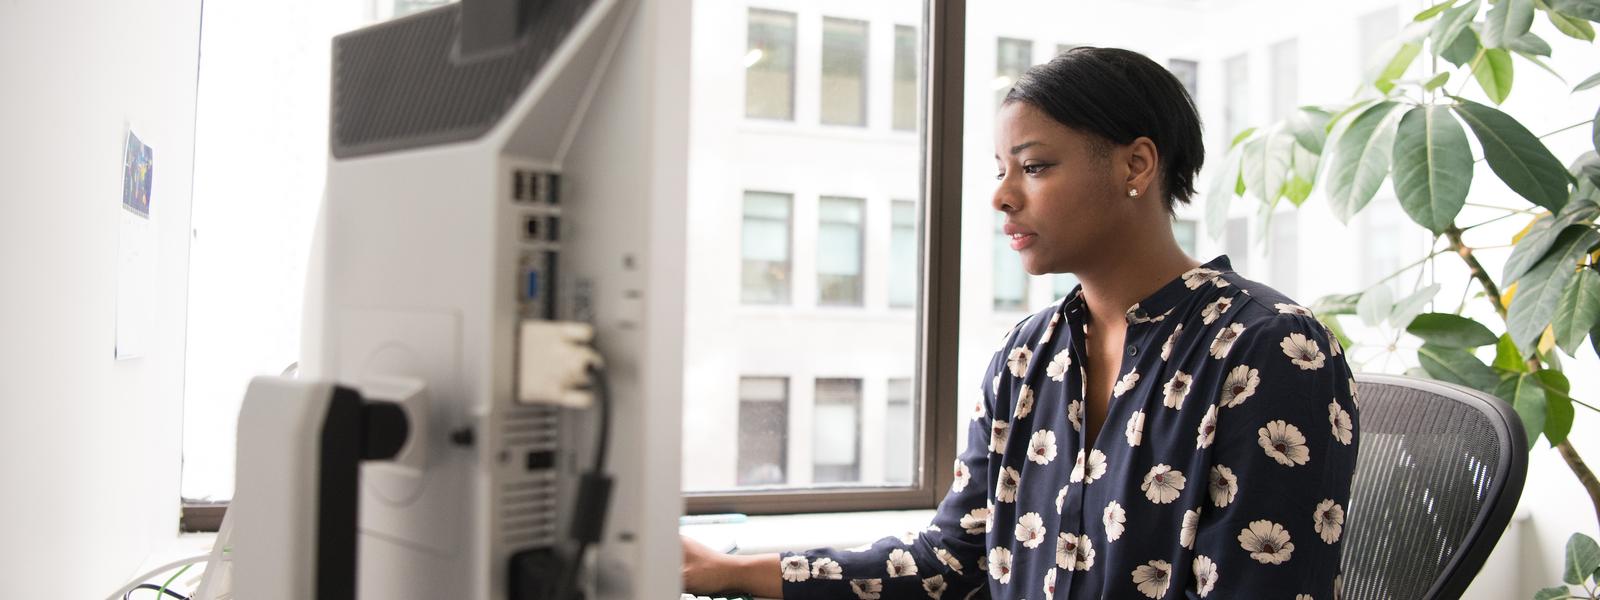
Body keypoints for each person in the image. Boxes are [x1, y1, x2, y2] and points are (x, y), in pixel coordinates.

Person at [681, 46, 1359, 600]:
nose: (1003, 196)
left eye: (1034, 167)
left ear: (1136, 164)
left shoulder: (1270, 348)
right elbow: (950, 560)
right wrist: (731, 573)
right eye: (1002, 170)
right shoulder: (1030, 353)